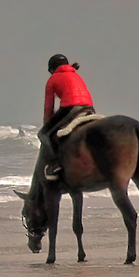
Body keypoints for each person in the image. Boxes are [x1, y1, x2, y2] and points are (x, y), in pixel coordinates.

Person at [38, 53, 94, 181]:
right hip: (89, 107)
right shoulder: (76, 75)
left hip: (70, 107)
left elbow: (48, 107)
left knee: (42, 135)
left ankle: (55, 163)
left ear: (52, 69)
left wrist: (47, 125)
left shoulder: (53, 79)